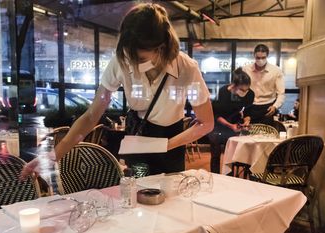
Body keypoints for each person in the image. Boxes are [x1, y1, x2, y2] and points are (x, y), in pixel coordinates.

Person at [20, 3, 213, 178]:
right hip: (138, 138)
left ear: (161, 48)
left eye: (141, 58)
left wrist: (166, 145)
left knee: (170, 201)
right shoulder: (122, 61)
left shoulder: (187, 68)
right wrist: (54, 155)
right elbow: (91, 116)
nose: (133, 63)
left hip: (172, 141)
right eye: (129, 55)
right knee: (137, 199)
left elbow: (206, 123)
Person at [208, 68, 254, 173]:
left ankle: (230, 178)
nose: (245, 93)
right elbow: (217, 115)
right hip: (218, 125)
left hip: (234, 124)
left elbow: (248, 110)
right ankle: (215, 177)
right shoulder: (223, 92)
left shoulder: (250, 94)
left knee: (232, 155)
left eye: (247, 89)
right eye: (242, 90)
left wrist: (247, 121)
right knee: (215, 154)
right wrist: (230, 125)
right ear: (234, 86)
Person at [243, 44, 285, 126]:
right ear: (254, 55)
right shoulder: (246, 69)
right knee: (248, 134)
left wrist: (275, 106)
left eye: (263, 58)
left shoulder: (276, 71)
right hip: (250, 106)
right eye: (258, 58)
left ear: (267, 56)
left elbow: (281, 93)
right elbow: (241, 90)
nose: (260, 60)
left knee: (267, 134)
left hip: (268, 106)